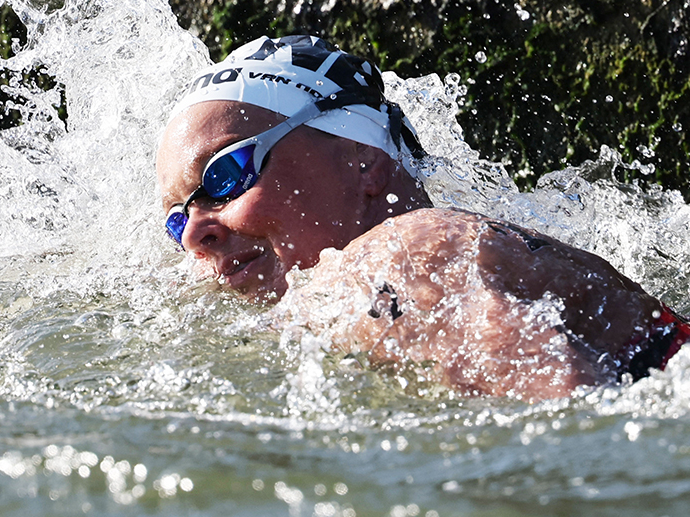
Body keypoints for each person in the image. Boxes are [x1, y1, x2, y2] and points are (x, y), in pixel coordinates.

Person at [156, 35, 689, 400]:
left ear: (364, 162)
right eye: (176, 221)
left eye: (226, 175)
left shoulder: (405, 250)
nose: (195, 235)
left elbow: (580, 423)